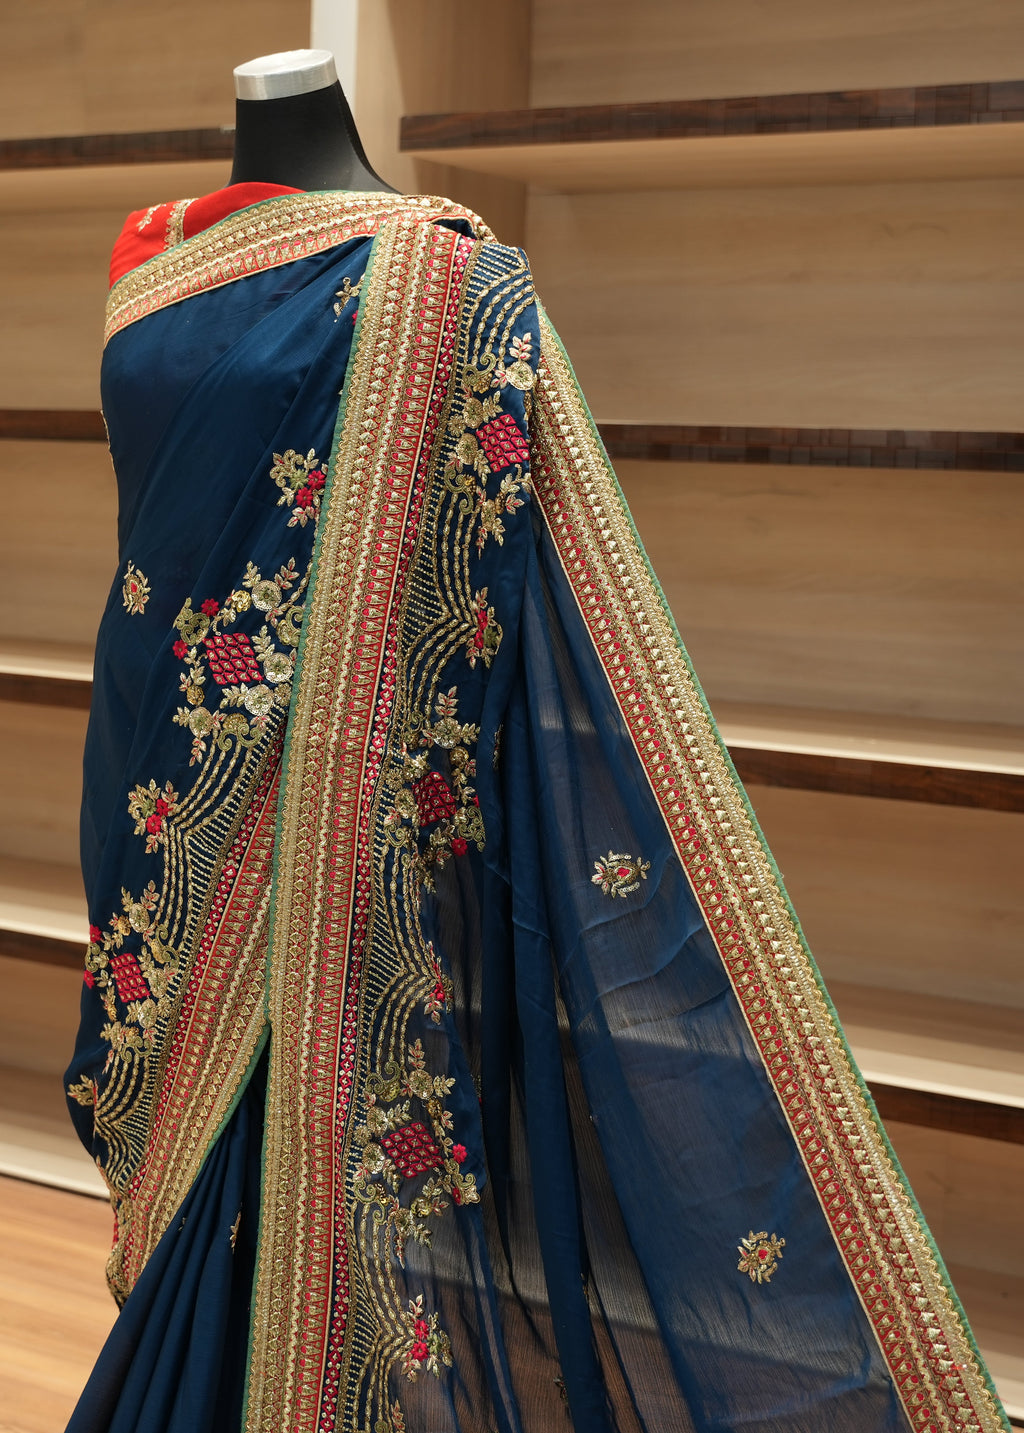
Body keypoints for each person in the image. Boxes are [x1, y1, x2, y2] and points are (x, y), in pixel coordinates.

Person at [64, 49, 1008, 1433]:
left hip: (305, 811)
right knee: (218, 1153)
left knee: (275, 1147)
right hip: (170, 795)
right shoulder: (171, 257)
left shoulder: (431, 284)